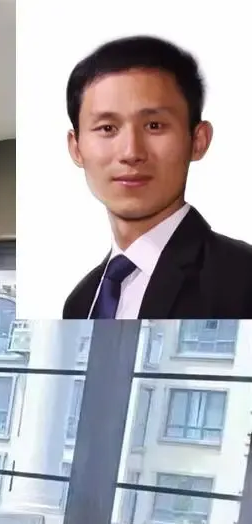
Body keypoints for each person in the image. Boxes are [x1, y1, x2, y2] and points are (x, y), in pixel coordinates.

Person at [61, 35, 252, 320]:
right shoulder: (80, 301)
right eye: (107, 128)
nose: (131, 152)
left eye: (154, 125)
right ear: (76, 148)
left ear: (198, 141)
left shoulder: (241, 278)